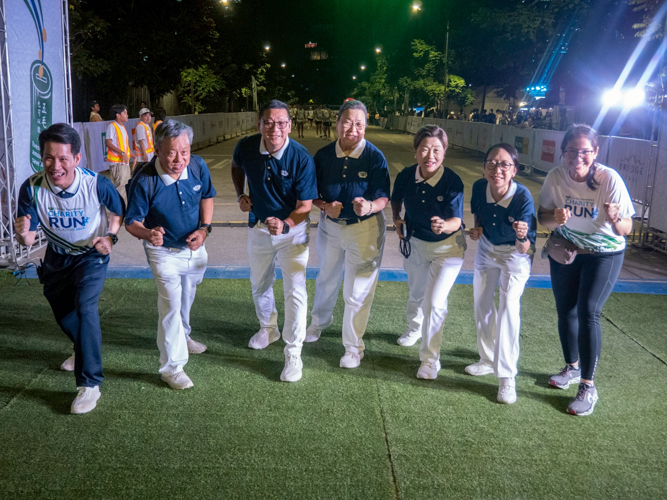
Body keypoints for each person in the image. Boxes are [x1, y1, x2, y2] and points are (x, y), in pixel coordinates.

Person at [14, 123, 123, 414]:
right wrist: (22, 232)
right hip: (57, 258)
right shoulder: (33, 187)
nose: (55, 165)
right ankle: (83, 349)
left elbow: (117, 212)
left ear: (77, 158)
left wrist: (110, 237)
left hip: (91, 255)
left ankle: (90, 384)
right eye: (49, 157)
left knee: (85, 308)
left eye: (63, 158)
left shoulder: (96, 184)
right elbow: (26, 236)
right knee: (63, 312)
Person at [538, 124, 634, 416]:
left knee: (588, 311)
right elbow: (543, 218)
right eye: (571, 151)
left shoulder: (609, 179)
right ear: (563, 151)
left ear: (595, 152)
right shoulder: (555, 177)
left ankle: (588, 386)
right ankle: (571, 367)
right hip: (567, 249)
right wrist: (554, 218)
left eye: (585, 152)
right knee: (565, 309)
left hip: (604, 253)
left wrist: (616, 218)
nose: (577, 158)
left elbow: (626, 229)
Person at [125, 120, 216, 390]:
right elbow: (132, 222)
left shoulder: (198, 165)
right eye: (172, 153)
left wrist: (204, 229)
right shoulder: (144, 180)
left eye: (184, 151)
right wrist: (148, 234)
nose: (179, 159)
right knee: (171, 306)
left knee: (187, 294)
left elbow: (207, 196)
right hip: (162, 251)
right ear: (157, 150)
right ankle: (172, 367)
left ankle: (183, 335)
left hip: (194, 248)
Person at [231, 100, 317, 382]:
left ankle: (294, 351)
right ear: (259, 124)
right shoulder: (246, 146)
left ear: (290, 125)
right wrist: (241, 195)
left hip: (292, 231)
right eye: (268, 122)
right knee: (259, 282)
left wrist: (286, 223)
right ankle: (268, 328)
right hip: (258, 228)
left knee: (295, 289)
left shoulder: (301, 157)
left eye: (281, 123)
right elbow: (236, 165)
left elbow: (305, 206)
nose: (275, 128)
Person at [305, 100, 390, 368]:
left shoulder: (374, 156)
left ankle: (353, 347)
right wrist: (324, 206)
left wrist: (369, 206)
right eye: (347, 122)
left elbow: (383, 196)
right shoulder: (323, 155)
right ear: (337, 123)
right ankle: (318, 324)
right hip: (330, 228)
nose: (353, 128)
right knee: (326, 279)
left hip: (364, 230)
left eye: (359, 124)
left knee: (357, 291)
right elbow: (311, 194)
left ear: (366, 126)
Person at [391, 125, 466, 379]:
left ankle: (430, 360)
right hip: (416, 243)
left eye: (436, 149)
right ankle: (414, 329)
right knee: (416, 292)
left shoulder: (452, 180)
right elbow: (396, 199)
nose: (429, 155)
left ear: (444, 152)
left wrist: (444, 225)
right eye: (424, 148)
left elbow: (458, 221)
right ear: (415, 151)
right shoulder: (406, 175)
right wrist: (396, 218)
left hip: (449, 248)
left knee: (435, 303)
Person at [465, 143, 536, 404]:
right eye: (492, 163)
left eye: (505, 164)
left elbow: (525, 246)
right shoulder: (478, 187)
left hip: (515, 255)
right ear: (484, 167)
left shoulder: (522, 197)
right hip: (487, 249)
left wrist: (520, 236)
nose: (498, 169)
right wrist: (477, 231)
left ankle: (507, 377)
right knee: (482, 304)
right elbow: (478, 220)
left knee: (508, 309)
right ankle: (486, 358)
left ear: (514, 170)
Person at [106, 104, 136, 204]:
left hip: (124, 162)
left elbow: (125, 146)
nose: (127, 115)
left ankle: (123, 211)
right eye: (125, 113)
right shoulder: (112, 126)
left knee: (124, 187)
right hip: (117, 162)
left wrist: (132, 155)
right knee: (121, 188)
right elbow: (108, 143)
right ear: (118, 115)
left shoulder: (122, 127)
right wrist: (122, 153)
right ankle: (119, 212)